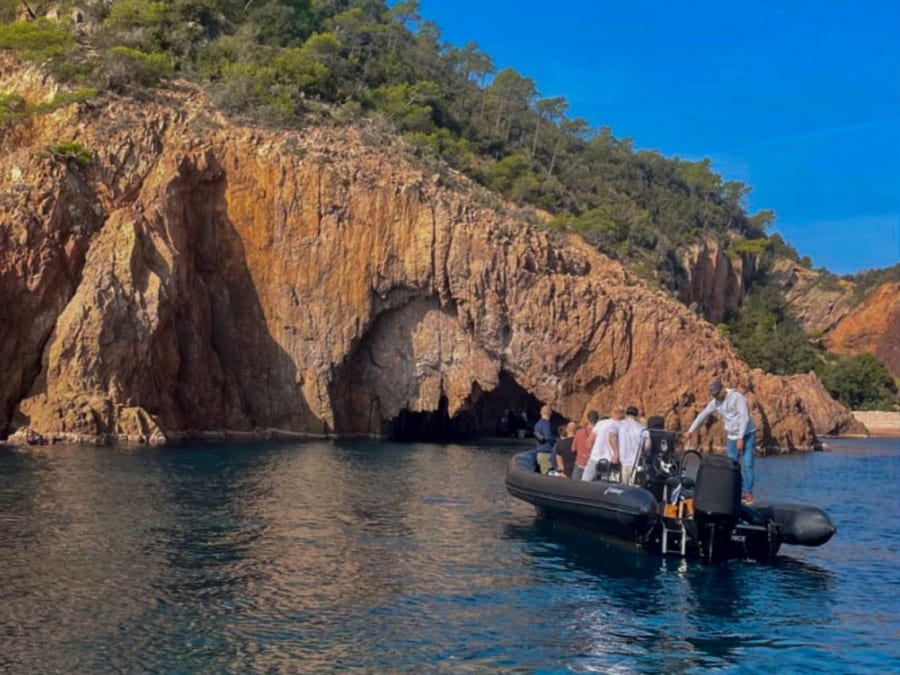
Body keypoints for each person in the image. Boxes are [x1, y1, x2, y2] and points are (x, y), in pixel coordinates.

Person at [683, 379, 757, 504]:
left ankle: (748, 493)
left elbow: (744, 417)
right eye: (714, 395)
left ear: (722, 389)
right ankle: (735, 492)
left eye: (717, 394)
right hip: (732, 437)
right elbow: (702, 415)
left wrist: (740, 437)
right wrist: (690, 430)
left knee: (747, 465)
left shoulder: (736, 397)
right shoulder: (715, 403)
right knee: (730, 466)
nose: (716, 397)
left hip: (747, 434)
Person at [582, 406, 624, 482]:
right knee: (608, 485)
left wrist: (592, 451)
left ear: (612, 413)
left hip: (595, 457)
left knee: (585, 482)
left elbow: (589, 441)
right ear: (622, 415)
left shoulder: (601, 423)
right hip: (612, 460)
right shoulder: (622, 426)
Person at [618, 405, 648, 486]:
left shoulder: (619, 425)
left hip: (622, 461)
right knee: (633, 487)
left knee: (621, 486)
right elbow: (647, 447)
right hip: (636, 462)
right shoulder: (642, 429)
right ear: (637, 415)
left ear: (626, 414)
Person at [571, 410, 599, 480]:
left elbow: (573, 449)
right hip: (593, 464)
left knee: (575, 485)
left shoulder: (579, 432)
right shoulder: (599, 433)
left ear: (587, 419)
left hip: (580, 462)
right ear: (597, 420)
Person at [534, 405, 556, 473]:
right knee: (548, 474)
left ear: (541, 413)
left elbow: (537, 438)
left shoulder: (537, 424)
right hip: (546, 454)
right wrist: (556, 443)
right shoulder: (546, 424)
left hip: (540, 452)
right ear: (550, 413)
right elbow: (548, 436)